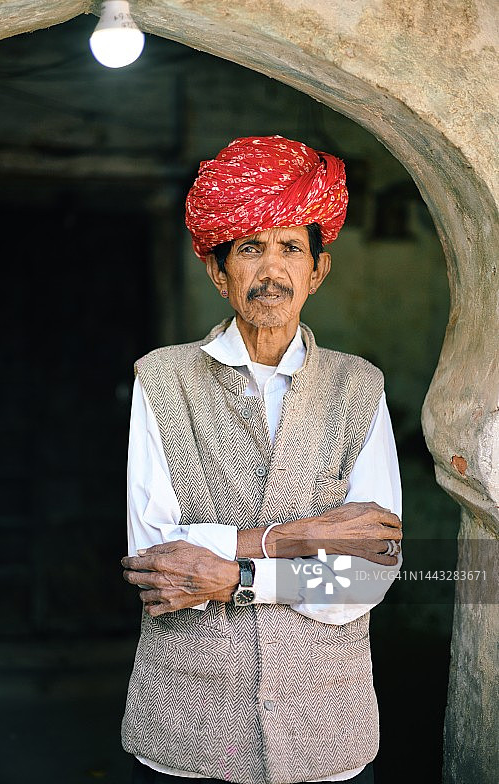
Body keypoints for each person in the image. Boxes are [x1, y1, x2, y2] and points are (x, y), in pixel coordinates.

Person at [120, 135, 403, 784]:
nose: (270, 271)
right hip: (188, 723)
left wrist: (235, 577)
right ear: (218, 272)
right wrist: (296, 537)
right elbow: (152, 559)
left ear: (317, 270)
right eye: (249, 248)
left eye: (289, 249)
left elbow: (371, 573)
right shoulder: (162, 379)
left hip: (322, 725)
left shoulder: (358, 386)